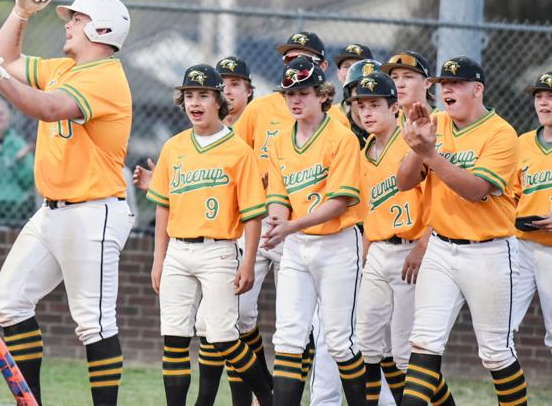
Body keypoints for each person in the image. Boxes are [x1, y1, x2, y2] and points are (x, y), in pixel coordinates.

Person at [0, 0, 134, 406]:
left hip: (93, 210)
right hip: (53, 211)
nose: (69, 25)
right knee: (9, 301)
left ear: (101, 30)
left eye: (77, 20)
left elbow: (45, 107)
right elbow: (7, 57)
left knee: (94, 324)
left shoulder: (106, 77)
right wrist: (20, 13)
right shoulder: (66, 69)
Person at [396, 57, 527, 405]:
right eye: (442, 84)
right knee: (423, 343)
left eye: (456, 83)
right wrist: (416, 148)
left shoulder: (501, 133)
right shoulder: (436, 122)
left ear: (477, 89)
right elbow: (404, 182)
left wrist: (431, 153)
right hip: (440, 248)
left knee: (496, 354)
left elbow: (475, 190)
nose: (447, 90)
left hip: (489, 252)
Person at [146, 64, 272, 406]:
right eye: (188, 95)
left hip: (218, 251)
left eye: (203, 95)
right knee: (173, 338)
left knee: (223, 337)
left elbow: (253, 214)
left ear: (219, 101)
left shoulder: (238, 150)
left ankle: (268, 398)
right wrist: (159, 259)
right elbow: (163, 206)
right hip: (177, 252)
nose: (194, 102)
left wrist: (247, 263)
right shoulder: (173, 147)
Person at [262, 56, 367, 406]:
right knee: (288, 337)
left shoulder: (341, 138)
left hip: (337, 245)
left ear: (322, 94)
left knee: (339, 340)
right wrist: (278, 222)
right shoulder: (278, 141)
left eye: (303, 91)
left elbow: (338, 203)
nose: (295, 99)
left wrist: (289, 225)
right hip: (296, 244)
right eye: (289, 92)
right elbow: (278, 195)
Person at [350, 72, 454, 406]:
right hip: (379, 251)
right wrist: (364, 254)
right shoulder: (365, 148)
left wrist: (423, 245)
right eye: (361, 105)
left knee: (406, 353)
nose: (367, 112)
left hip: (411, 250)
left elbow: (435, 198)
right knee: (366, 345)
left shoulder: (411, 142)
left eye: (375, 105)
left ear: (394, 108)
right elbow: (370, 213)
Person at [512, 72, 552, 354]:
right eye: (539, 96)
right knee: (501, 325)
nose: (544, 103)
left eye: (551, 97)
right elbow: (509, 194)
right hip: (521, 246)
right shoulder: (522, 143)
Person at [379, 51, 434, 127]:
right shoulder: (387, 125)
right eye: (394, 77)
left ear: (427, 83)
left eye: (408, 77)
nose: (399, 84)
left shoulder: (446, 121)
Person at [329, 43, 374, 130]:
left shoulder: (388, 112)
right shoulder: (329, 114)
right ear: (338, 74)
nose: (352, 71)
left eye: (359, 66)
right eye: (347, 66)